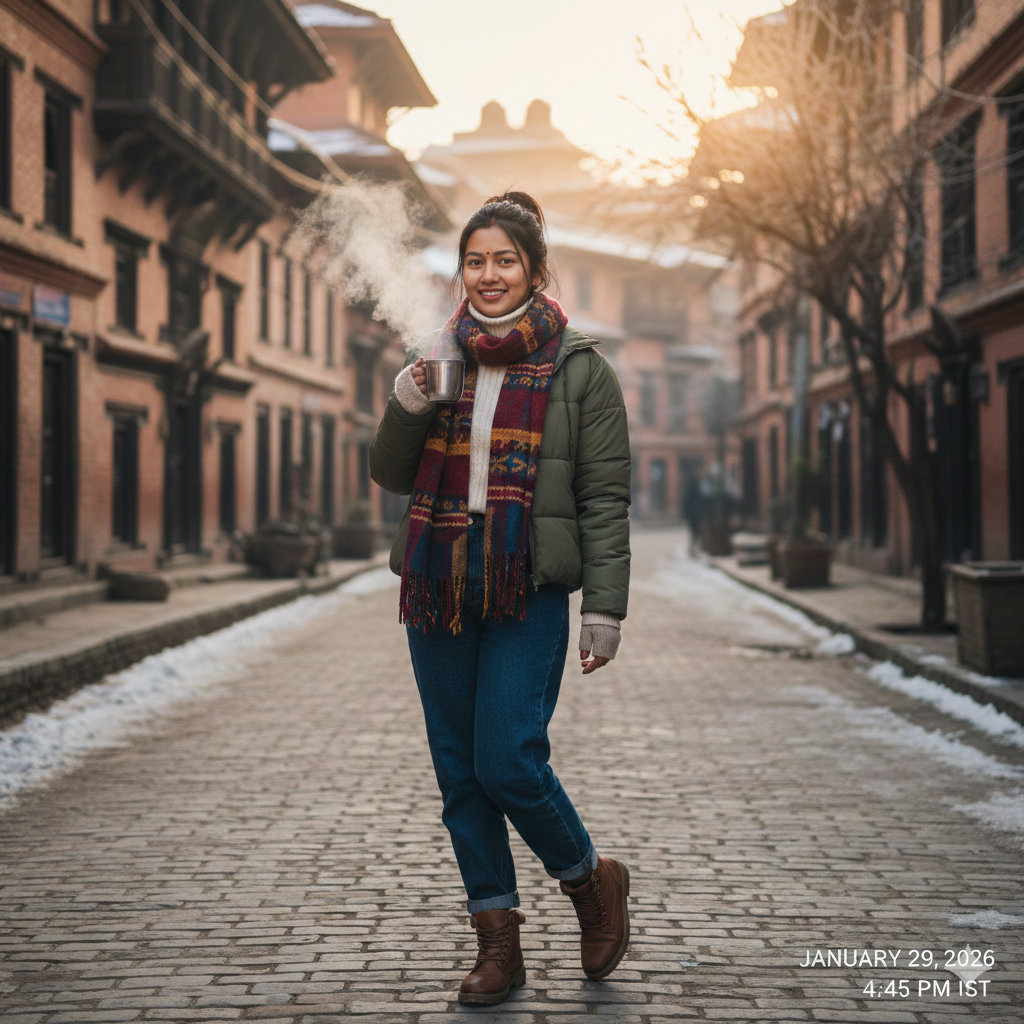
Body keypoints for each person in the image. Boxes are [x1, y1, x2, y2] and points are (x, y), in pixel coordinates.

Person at [368, 192, 631, 1006]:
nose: (489, 274)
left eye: (505, 260)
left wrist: (604, 609)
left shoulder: (579, 368)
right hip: (440, 580)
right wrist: (410, 401)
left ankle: (590, 881)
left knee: (508, 761)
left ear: (534, 269)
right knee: (460, 773)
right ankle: (498, 944)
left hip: (527, 585)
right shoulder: (435, 356)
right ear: (462, 270)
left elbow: (603, 498)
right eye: (475, 260)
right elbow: (390, 472)